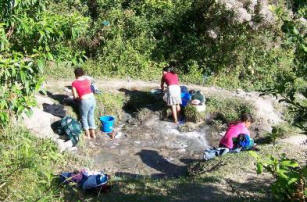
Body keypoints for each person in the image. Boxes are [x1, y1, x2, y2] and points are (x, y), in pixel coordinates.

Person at [72, 67, 96, 139]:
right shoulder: (88, 80)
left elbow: (75, 96)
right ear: (83, 73)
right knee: (91, 116)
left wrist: (79, 99)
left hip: (85, 101)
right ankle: (93, 135)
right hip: (92, 99)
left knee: (84, 117)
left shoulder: (74, 83)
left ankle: (87, 135)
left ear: (75, 75)